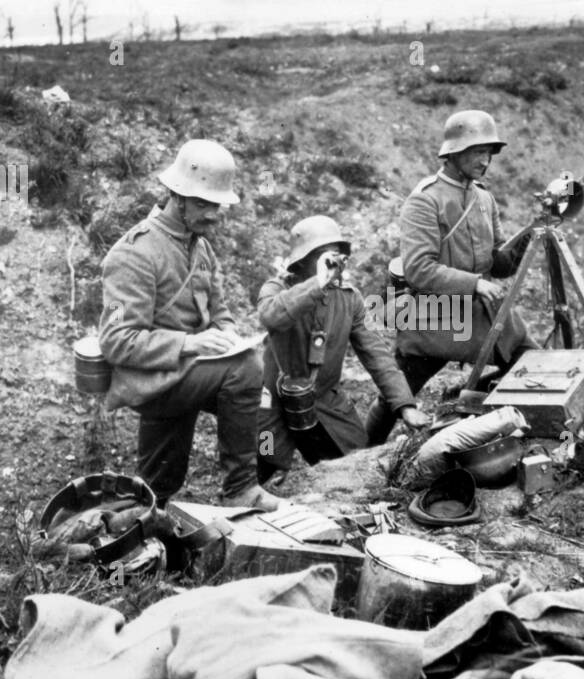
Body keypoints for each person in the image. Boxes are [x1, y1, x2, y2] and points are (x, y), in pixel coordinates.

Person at [98, 139, 285, 512]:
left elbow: (219, 310)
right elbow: (116, 341)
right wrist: (191, 344)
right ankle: (239, 488)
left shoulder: (201, 248)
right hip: (153, 380)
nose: (213, 213)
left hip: (188, 373)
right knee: (245, 371)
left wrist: (229, 334)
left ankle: (264, 476)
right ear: (176, 196)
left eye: (217, 204)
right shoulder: (134, 252)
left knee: (153, 493)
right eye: (203, 203)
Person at [364, 109, 536, 445]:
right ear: (453, 152)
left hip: (481, 315)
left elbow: (497, 262)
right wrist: (473, 283)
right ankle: (358, 456)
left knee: (530, 363)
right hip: (436, 318)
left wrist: (529, 235)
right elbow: (419, 269)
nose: (485, 161)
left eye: (488, 153)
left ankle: (481, 411)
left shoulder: (484, 198)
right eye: (477, 152)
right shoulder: (425, 201)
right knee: (395, 398)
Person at [256, 215, 429, 481]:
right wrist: (317, 283)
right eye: (323, 255)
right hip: (273, 404)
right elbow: (271, 316)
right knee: (263, 460)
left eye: (336, 255)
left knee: (357, 466)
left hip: (323, 400)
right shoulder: (277, 289)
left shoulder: (349, 299)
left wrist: (405, 405)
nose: (333, 263)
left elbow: (377, 354)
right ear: (302, 260)